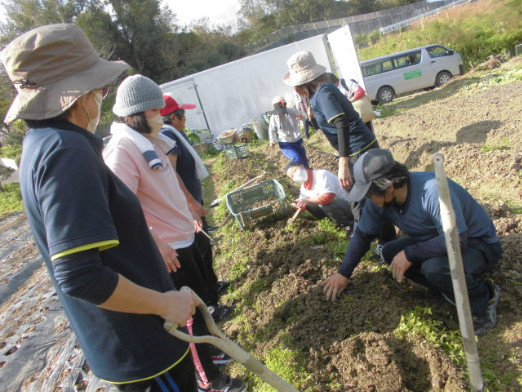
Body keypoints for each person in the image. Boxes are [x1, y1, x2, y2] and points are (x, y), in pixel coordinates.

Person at [3, 23, 200, 391]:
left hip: (133, 344)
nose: (102, 97)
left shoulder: (41, 144)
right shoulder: (66, 152)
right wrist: (163, 304)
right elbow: (79, 275)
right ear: (76, 95)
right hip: (144, 349)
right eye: (101, 88)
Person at [103, 75, 246, 392]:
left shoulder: (149, 141)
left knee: (197, 305)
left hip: (184, 238)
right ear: (138, 113)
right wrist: (157, 244)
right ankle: (209, 379)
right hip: (169, 250)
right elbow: (122, 210)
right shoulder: (122, 151)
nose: (160, 116)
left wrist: (189, 210)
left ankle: (210, 355)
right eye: (154, 111)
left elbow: (166, 188)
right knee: (187, 317)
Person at [323, 149, 502, 336]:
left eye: (370, 194)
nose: (369, 200)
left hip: (477, 244)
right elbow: (362, 236)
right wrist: (344, 273)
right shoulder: (380, 202)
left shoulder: (432, 191)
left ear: (389, 186)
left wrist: (410, 253)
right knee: (390, 253)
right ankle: (443, 286)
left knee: (433, 268)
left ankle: (484, 298)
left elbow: (456, 239)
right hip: (433, 240)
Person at [283, 51, 396, 244]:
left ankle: (382, 243)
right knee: (363, 199)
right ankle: (380, 241)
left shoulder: (324, 93)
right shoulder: (319, 94)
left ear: (302, 83)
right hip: (357, 148)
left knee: (363, 199)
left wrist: (343, 162)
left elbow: (341, 123)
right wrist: (312, 117)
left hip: (359, 150)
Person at [160, 95, 232, 322]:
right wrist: (189, 203)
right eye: (183, 114)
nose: (186, 118)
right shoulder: (167, 137)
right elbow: (171, 177)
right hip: (185, 208)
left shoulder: (173, 135)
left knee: (204, 248)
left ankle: (213, 285)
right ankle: (210, 304)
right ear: (173, 117)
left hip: (190, 204)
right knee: (199, 252)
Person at [286, 161, 353, 231]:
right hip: (334, 210)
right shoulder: (303, 188)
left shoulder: (321, 175)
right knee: (308, 204)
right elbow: (302, 204)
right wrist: (294, 206)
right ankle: (332, 221)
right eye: (292, 176)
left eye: (295, 171)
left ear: (302, 167)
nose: (295, 174)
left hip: (348, 205)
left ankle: (348, 225)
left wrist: (306, 201)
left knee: (327, 205)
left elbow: (328, 198)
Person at [268, 96, 310, 168]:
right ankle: (290, 171)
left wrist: (301, 116)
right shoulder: (274, 117)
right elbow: (271, 130)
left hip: (298, 140)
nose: (281, 113)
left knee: (305, 162)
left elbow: (305, 116)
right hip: (285, 143)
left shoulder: (291, 111)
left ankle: (307, 175)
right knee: (297, 158)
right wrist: (272, 140)